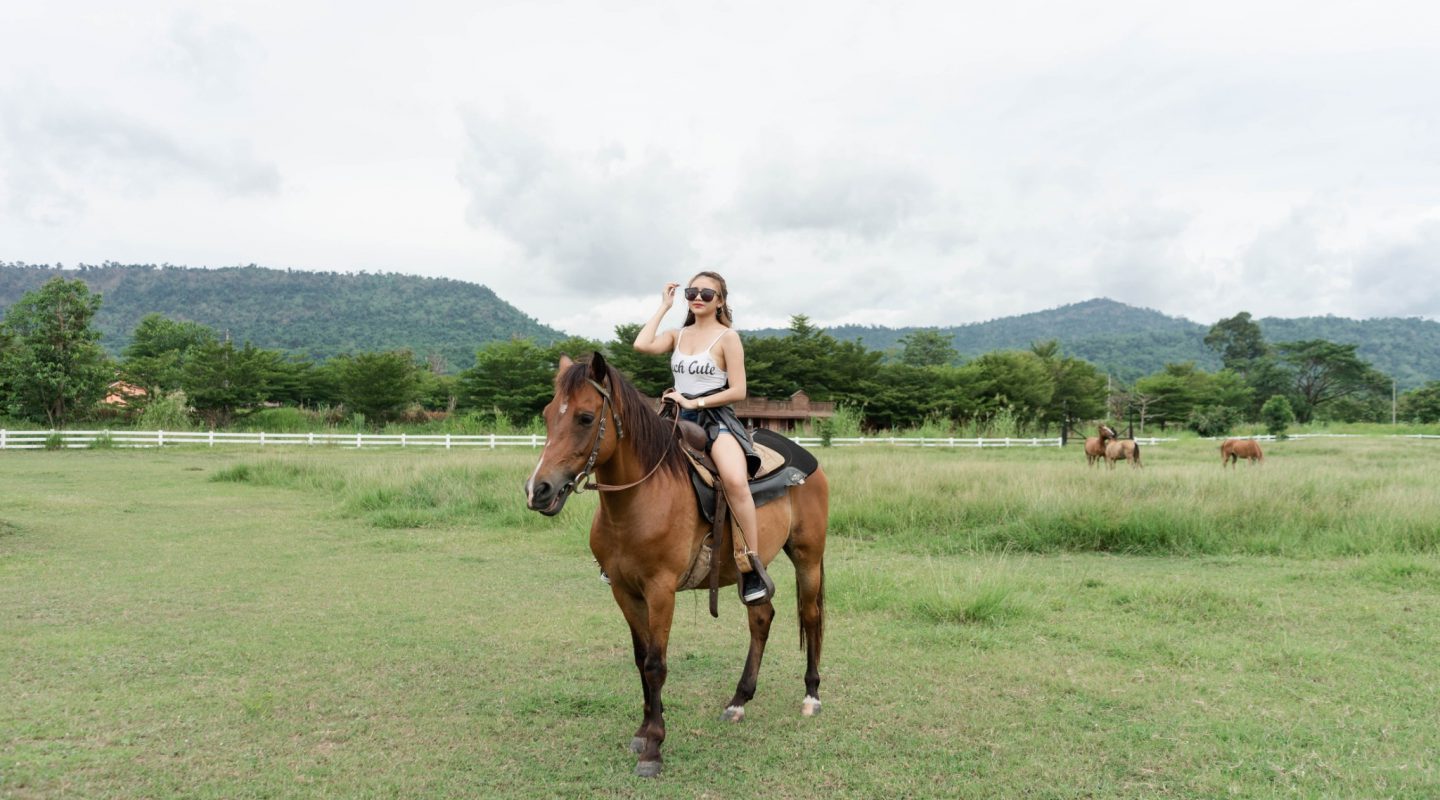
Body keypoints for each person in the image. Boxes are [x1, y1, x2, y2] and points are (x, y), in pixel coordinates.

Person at [631, 271, 774, 605]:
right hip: (676, 417)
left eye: (707, 294)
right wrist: (663, 306)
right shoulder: (678, 335)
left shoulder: (727, 338)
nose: (698, 298)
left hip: (713, 419)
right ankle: (623, 551)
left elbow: (738, 390)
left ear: (720, 301)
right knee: (634, 465)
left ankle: (750, 564)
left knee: (736, 481)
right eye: (692, 292)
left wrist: (695, 401)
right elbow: (641, 344)